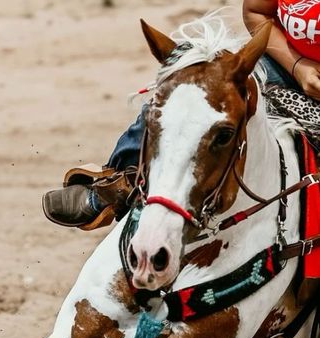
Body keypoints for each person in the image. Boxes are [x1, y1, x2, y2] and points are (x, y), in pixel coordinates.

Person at [43, 0, 320, 230]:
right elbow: (257, 11)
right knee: (194, 87)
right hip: (288, 63)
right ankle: (117, 184)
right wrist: (297, 66)